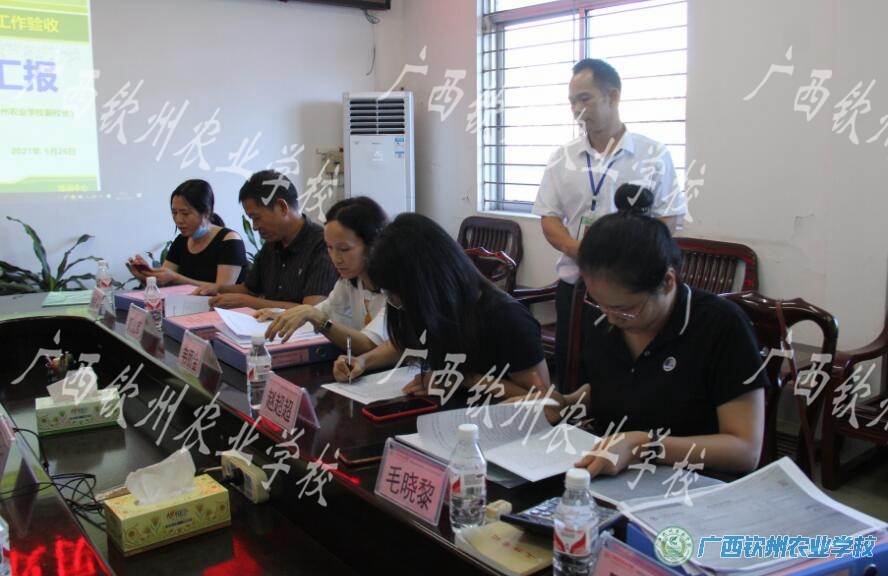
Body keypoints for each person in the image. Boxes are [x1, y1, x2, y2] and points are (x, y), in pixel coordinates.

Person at [556, 212, 766, 477]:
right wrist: (565, 403)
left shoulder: (721, 325)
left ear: (667, 282)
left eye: (625, 309)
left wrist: (646, 446)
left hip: (692, 482)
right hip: (612, 476)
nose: (611, 318)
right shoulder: (605, 317)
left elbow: (745, 450)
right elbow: (615, 386)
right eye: (600, 304)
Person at [532, 58, 688, 388]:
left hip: (632, 291)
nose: (577, 109)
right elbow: (549, 216)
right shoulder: (562, 157)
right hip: (576, 286)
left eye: (585, 98)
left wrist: (625, 260)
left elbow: (668, 220)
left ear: (612, 96)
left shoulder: (653, 154)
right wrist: (581, 251)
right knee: (574, 375)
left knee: (628, 378)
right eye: (572, 102)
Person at [332, 213, 551, 400]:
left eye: (398, 293)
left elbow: (543, 400)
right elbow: (406, 343)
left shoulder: (506, 318)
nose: (395, 302)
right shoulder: (431, 305)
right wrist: (363, 361)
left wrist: (463, 379)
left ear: (425, 281)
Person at [258, 196, 389, 355]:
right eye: (329, 247)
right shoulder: (349, 282)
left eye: (344, 249)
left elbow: (368, 344)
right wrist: (284, 315)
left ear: (373, 244)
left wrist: (316, 317)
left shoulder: (395, 291)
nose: (336, 258)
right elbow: (325, 310)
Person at [198, 170, 338, 309]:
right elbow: (249, 289)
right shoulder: (272, 243)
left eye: (256, 217)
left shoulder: (323, 244)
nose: (254, 227)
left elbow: (311, 309)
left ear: (282, 207)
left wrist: (249, 302)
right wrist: (218, 288)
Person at [127, 179, 247, 289]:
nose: (178, 220)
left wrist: (176, 278)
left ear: (206, 212)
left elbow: (223, 290)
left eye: (185, 213)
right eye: (174, 212)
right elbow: (164, 283)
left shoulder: (230, 241)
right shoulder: (181, 241)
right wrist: (146, 276)